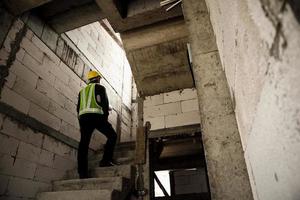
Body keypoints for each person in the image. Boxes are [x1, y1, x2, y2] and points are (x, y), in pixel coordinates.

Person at [77, 70, 118, 179]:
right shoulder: (100, 88)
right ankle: (105, 160)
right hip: (97, 117)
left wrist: (81, 124)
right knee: (112, 136)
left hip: (84, 119)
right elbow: (104, 105)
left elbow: (78, 109)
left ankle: (82, 173)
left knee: (83, 145)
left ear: (89, 79)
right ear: (98, 78)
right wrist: (105, 118)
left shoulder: (82, 91)